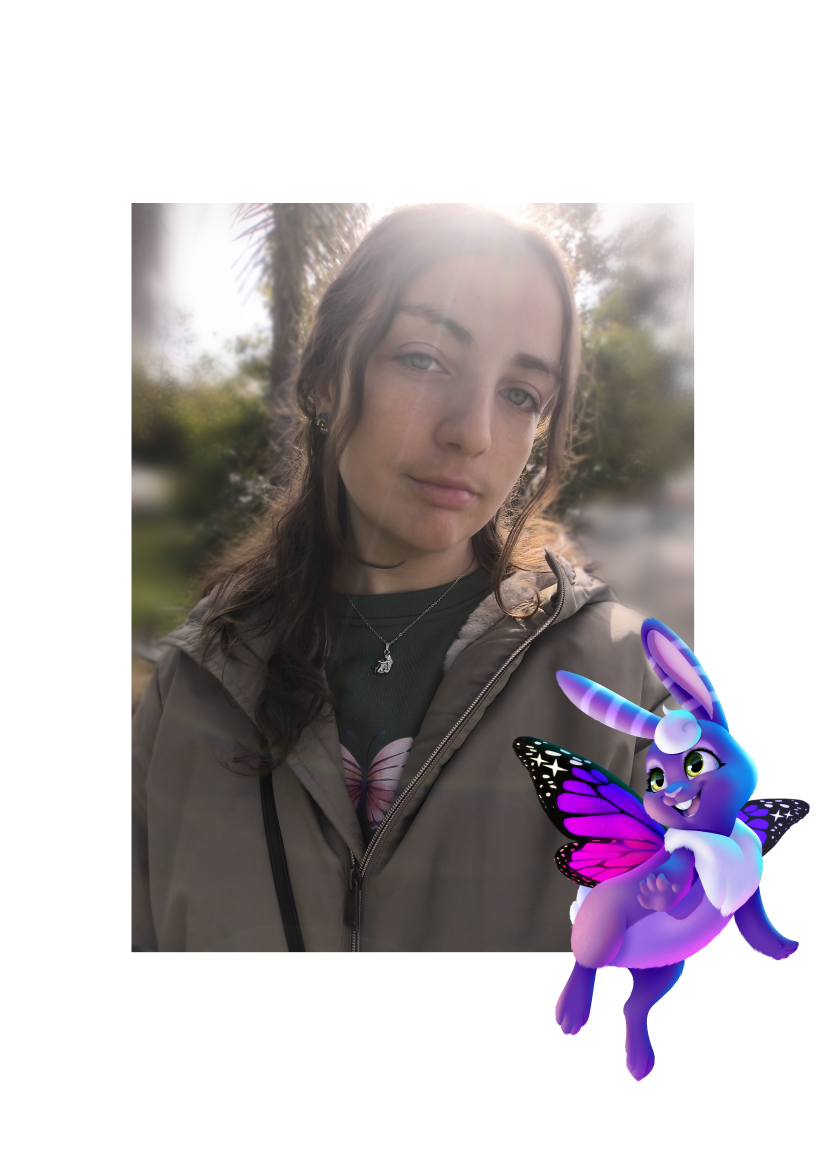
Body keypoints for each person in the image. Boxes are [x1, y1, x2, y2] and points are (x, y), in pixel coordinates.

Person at [131, 205, 671, 953]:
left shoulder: (627, 687)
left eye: (520, 394)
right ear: (325, 377)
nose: (471, 432)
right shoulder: (194, 687)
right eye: (422, 358)